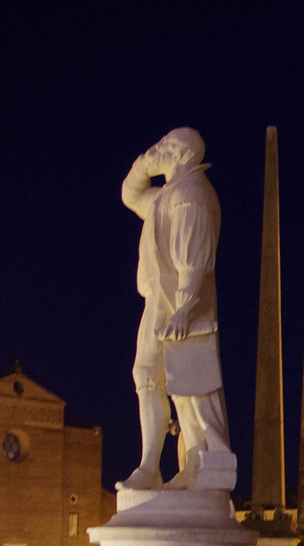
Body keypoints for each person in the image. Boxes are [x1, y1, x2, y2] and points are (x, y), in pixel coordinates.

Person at [117, 128, 232, 491]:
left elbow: (193, 259)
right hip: (159, 301)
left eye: (166, 145)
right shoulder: (166, 196)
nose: (159, 148)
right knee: (147, 375)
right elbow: (130, 195)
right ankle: (150, 465)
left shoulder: (191, 195)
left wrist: (184, 307)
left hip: (181, 306)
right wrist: (141, 167)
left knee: (185, 385)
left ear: (183, 154)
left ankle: (198, 462)